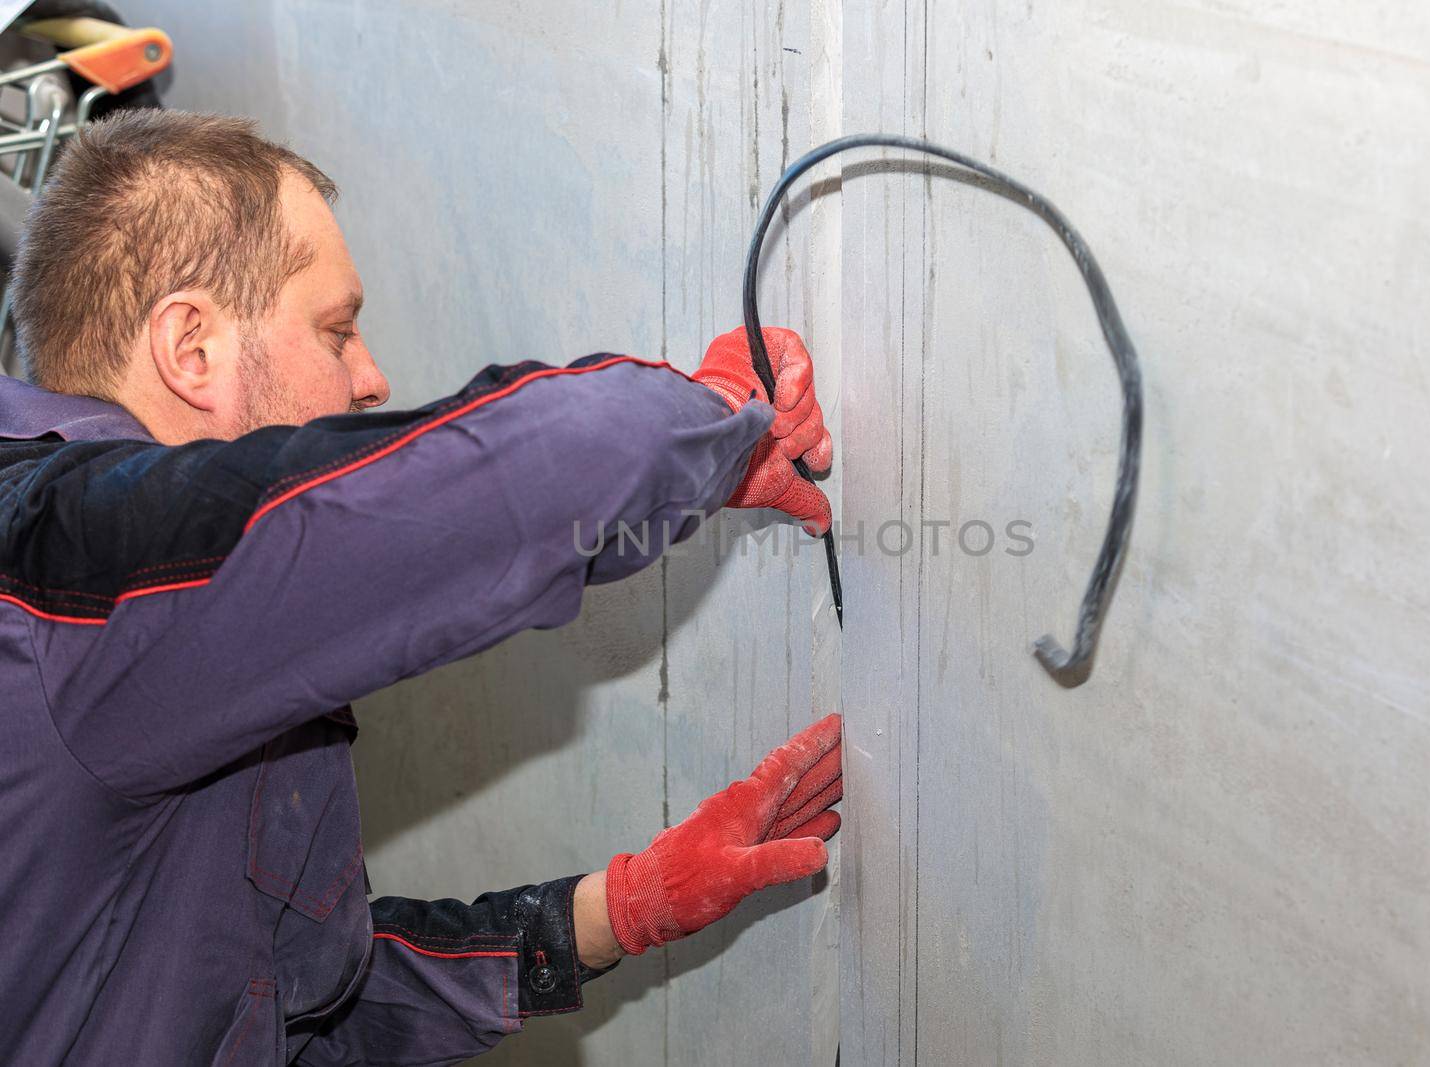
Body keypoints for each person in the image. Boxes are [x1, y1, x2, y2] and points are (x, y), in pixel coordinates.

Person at [0, 109, 844, 1065]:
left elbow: (287, 1006)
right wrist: (724, 414)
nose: (370, 375)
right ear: (190, 347)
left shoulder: (143, 630)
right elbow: (566, 456)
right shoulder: (64, 575)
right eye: (337, 329)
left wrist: (619, 908)